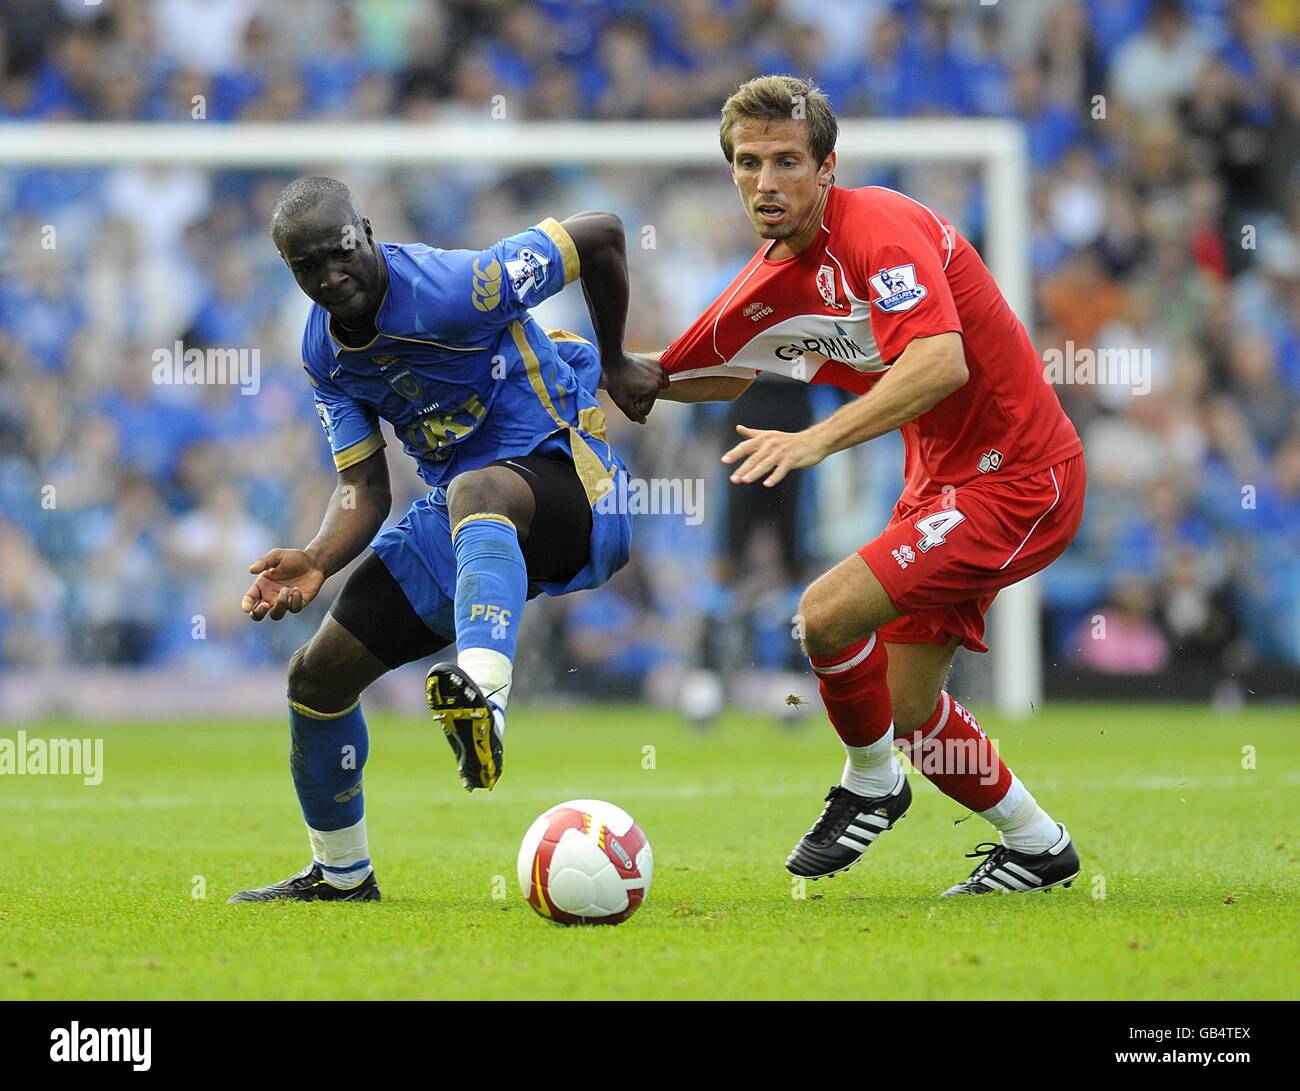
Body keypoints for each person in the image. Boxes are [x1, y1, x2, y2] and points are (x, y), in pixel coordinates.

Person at [651, 76, 1086, 895]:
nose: (766, 180)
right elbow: (692, 373)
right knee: (910, 706)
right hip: (943, 485)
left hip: (1021, 478)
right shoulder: (770, 278)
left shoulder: (879, 227)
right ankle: (1038, 844)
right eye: (748, 163)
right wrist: (585, 368)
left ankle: (872, 783)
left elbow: (939, 359)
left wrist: (816, 437)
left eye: (787, 160)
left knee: (823, 613)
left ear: (826, 168)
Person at [228, 175, 664, 902]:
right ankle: (341, 874)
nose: (331, 275)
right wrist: (317, 557)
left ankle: (485, 698)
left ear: (366, 231)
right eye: (308, 268)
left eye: (341, 251)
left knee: (476, 489)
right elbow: (367, 490)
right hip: (466, 515)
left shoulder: (461, 284)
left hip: (574, 482)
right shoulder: (324, 355)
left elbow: (602, 232)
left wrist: (614, 360)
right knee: (317, 677)